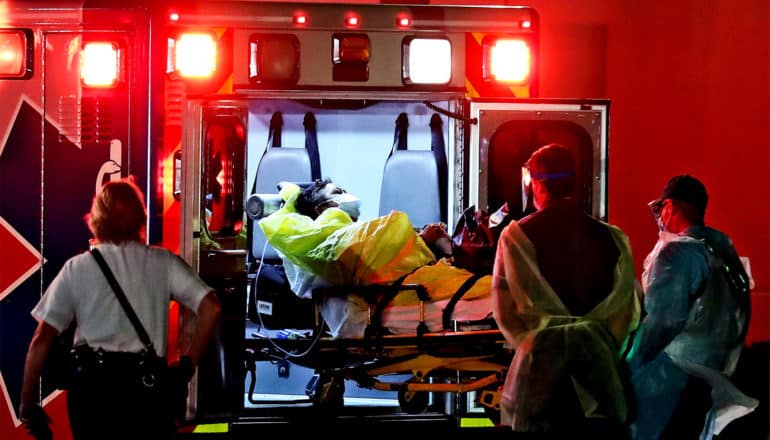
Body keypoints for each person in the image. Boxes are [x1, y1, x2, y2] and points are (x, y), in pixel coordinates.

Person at [19, 177, 222, 440]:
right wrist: (188, 364)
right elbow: (211, 307)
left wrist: (28, 403)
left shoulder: (77, 268)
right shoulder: (163, 263)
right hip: (147, 393)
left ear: (96, 218)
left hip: (92, 396)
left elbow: (42, 338)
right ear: (140, 216)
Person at [491, 143, 640, 438]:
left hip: (540, 376)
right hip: (599, 374)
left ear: (536, 183)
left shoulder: (516, 236)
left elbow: (505, 310)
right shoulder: (613, 238)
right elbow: (627, 311)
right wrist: (594, 344)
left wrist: (538, 343)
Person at [625, 174, 756, 439]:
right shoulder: (721, 247)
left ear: (670, 207)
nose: (659, 218)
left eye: (661, 209)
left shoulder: (678, 254)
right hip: (715, 378)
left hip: (673, 381)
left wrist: (628, 364)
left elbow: (662, 323)